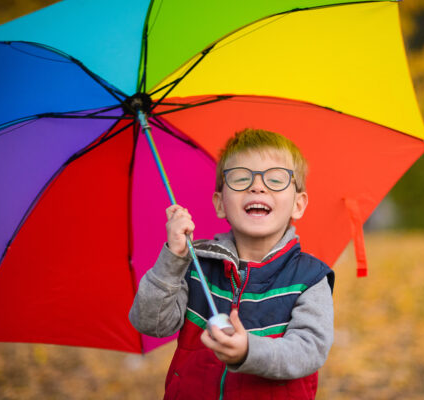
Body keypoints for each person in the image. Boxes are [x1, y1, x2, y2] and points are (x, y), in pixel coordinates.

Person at [129, 128, 334, 399]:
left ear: (298, 204)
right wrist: (173, 257)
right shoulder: (196, 265)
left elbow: (308, 351)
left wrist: (249, 350)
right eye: (240, 178)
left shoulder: (309, 278)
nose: (257, 186)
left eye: (275, 179)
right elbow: (151, 322)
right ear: (220, 204)